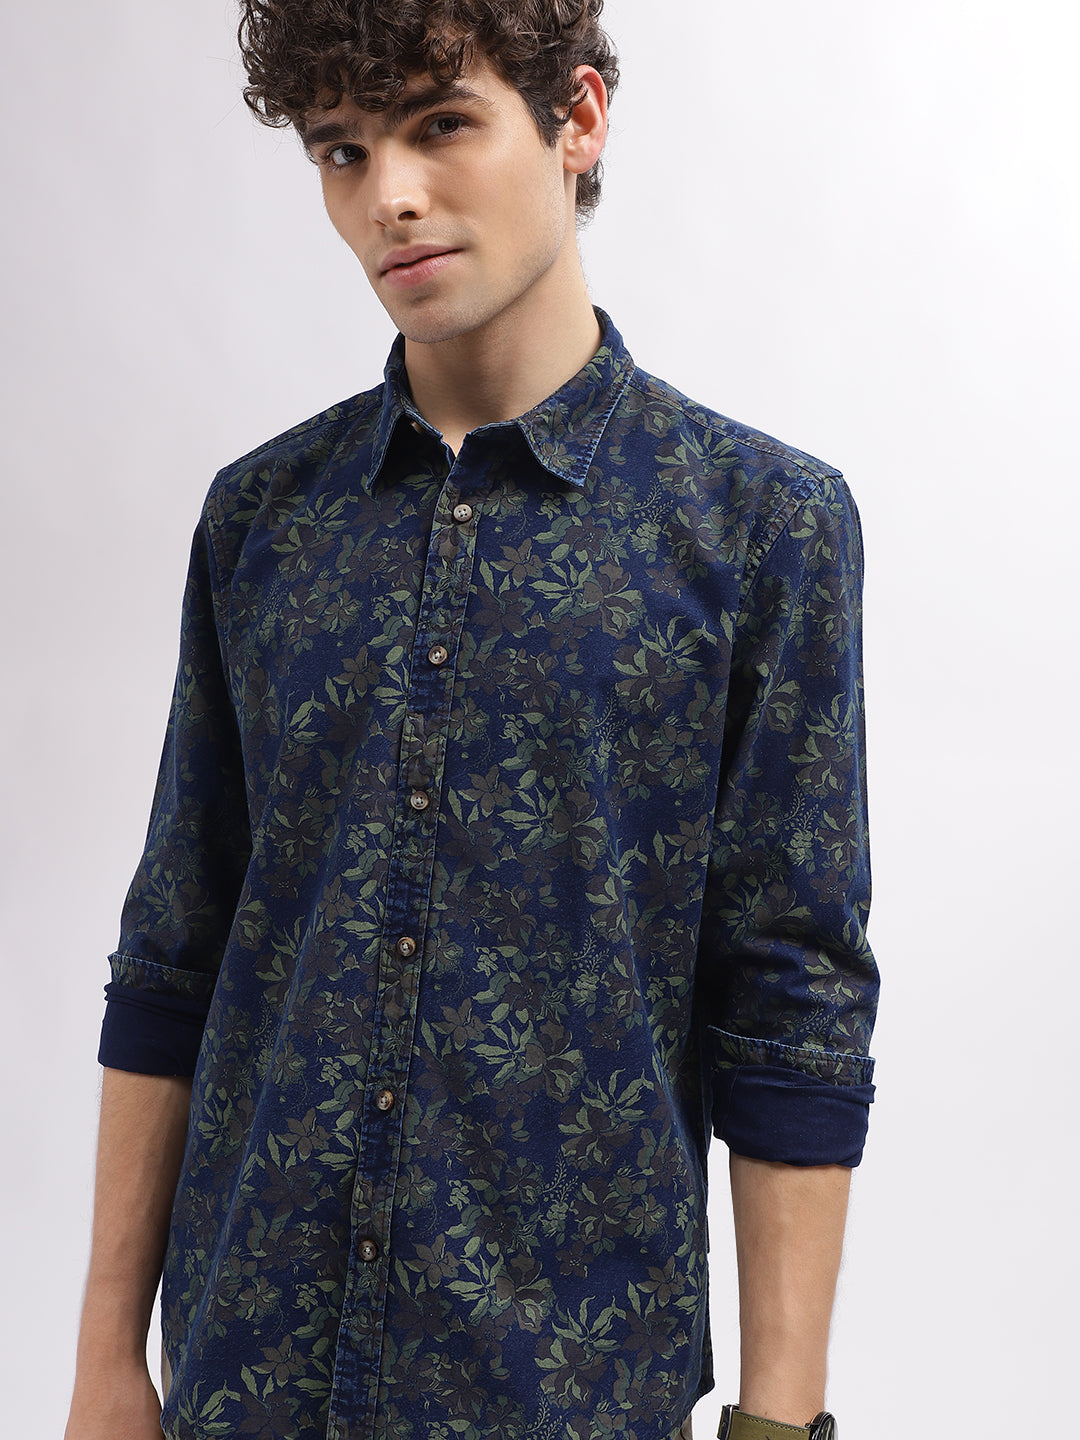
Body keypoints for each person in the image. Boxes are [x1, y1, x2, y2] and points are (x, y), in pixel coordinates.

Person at [65, 4, 878, 1439]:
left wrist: (777, 1418)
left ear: (578, 120)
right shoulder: (261, 519)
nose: (389, 195)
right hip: (251, 1371)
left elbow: (792, 999)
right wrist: (103, 1363)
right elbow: (176, 944)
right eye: (342, 150)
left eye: (440, 123)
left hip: (568, 1383)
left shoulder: (761, 528)